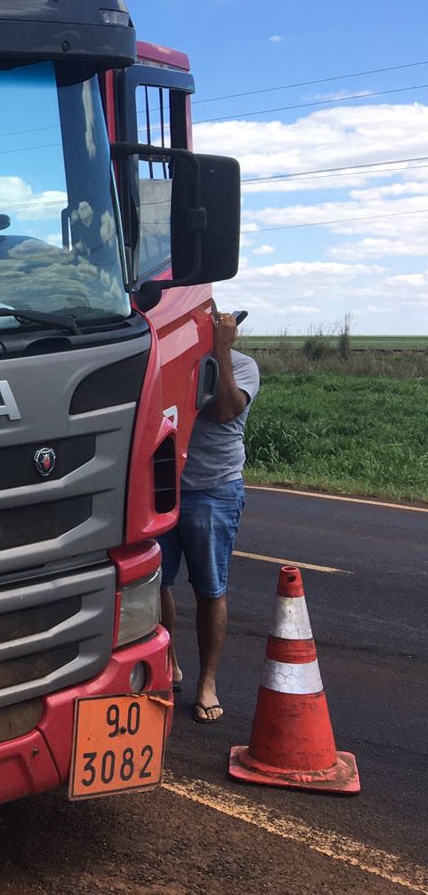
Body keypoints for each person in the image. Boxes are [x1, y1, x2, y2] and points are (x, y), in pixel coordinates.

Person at [160, 305, 260, 724]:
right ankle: (170, 663)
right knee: (155, 584)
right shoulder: (171, 365)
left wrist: (221, 353)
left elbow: (224, 410)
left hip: (215, 490)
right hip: (165, 490)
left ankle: (207, 682)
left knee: (209, 589)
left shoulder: (243, 366)